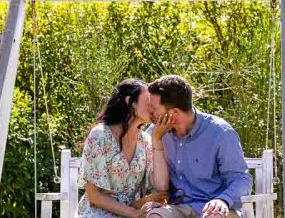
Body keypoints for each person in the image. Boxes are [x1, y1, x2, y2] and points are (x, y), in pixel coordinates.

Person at [147, 75, 252, 218]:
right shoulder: (155, 133)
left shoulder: (220, 132)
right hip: (176, 208)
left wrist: (223, 199)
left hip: (213, 208)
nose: (150, 113)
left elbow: (241, 179)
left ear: (174, 113)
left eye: (153, 108)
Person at [77, 79, 172, 217]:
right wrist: (133, 213)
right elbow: (94, 195)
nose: (153, 107)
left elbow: (161, 187)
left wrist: (157, 139)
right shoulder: (100, 135)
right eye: (148, 101)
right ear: (130, 102)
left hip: (135, 211)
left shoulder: (145, 140)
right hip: (99, 212)